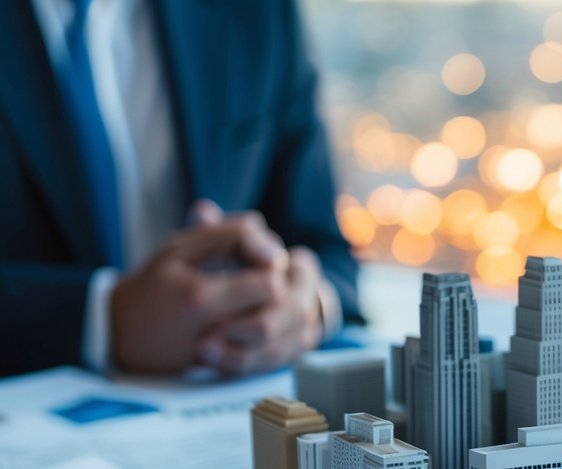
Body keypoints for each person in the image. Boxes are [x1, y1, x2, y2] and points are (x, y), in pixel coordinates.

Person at [0, 0, 359, 378]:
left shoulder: (259, 11)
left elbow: (327, 251)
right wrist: (104, 319)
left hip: (221, 400)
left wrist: (307, 306)